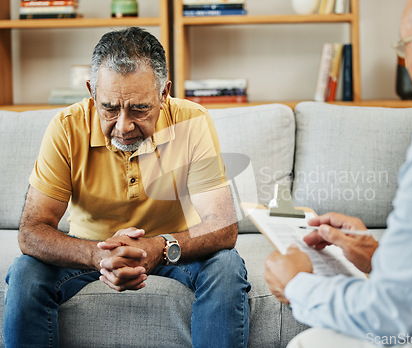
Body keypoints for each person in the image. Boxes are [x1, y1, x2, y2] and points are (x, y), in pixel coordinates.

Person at [265, 0, 412, 346]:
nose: (407, 63)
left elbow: (395, 314)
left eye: (406, 47)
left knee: (314, 343)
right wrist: (378, 256)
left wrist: (297, 284)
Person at [4, 27, 250, 348]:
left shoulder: (192, 121)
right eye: (109, 108)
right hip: (91, 249)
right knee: (25, 272)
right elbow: (32, 231)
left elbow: (223, 227)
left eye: (139, 109)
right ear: (92, 92)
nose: (123, 126)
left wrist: (158, 248)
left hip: (173, 251)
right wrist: (96, 255)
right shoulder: (66, 127)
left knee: (227, 265)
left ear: (164, 94)